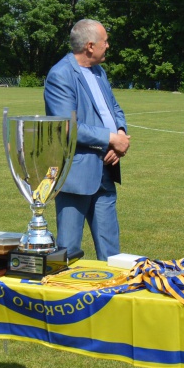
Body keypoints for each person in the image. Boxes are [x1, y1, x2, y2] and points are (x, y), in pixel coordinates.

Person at [44, 19, 130, 259]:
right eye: (105, 41)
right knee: (68, 250)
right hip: (77, 174)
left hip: (106, 170)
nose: (108, 46)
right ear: (90, 46)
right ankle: (65, 297)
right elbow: (68, 127)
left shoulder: (99, 72)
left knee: (111, 253)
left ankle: (113, 295)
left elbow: (114, 109)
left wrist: (120, 133)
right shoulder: (60, 75)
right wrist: (110, 138)